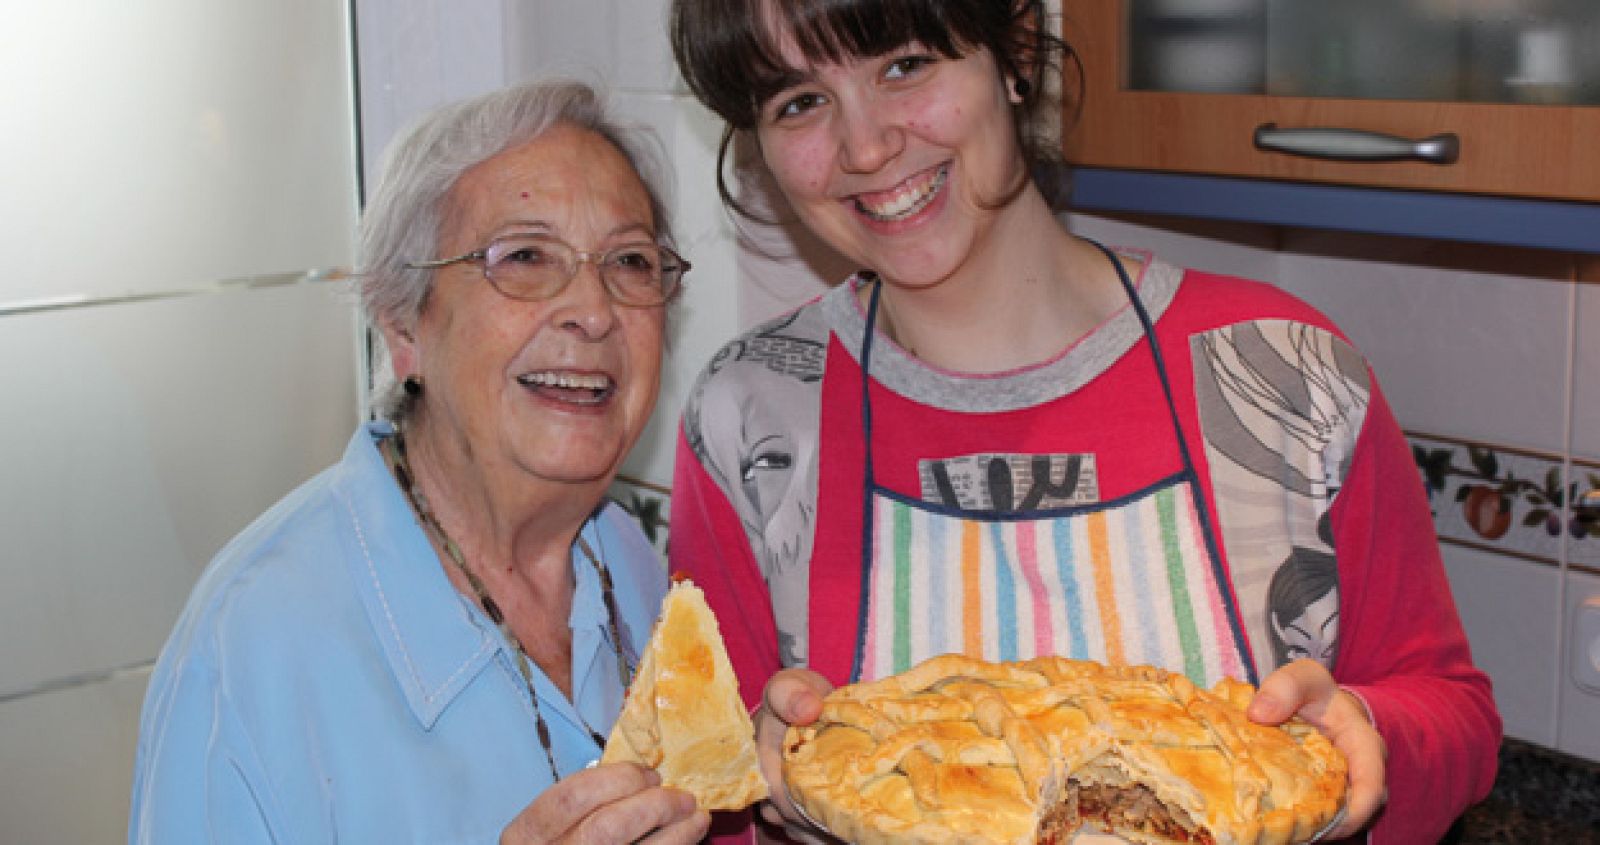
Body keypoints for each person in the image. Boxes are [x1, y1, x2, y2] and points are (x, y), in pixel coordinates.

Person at [664, 1, 1501, 843]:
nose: (867, 146)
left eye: (905, 64)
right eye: (799, 102)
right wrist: (745, 784)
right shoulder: (752, 415)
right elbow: (704, 792)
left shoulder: (1285, 372)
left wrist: (1364, 730)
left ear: (1015, 50)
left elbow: (1453, 714)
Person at [129, 80, 708, 844]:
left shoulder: (627, 562)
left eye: (630, 260)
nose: (595, 311)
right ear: (403, 324)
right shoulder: (252, 646)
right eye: (526, 255)